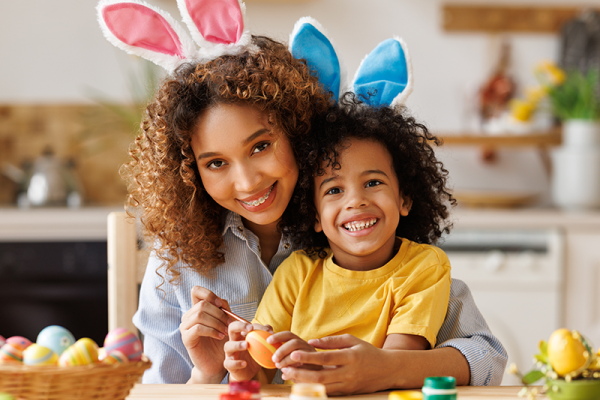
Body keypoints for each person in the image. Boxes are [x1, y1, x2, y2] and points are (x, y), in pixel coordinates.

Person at [97, 0, 507, 392]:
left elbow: (485, 356)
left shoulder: (353, 225)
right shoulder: (178, 261)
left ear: (294, 132)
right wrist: (206, 374)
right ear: (190, 172)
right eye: (215, 164)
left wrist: (387, 368)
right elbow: (160, 391)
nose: (246, 182)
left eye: (260, 147)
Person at [224, 95, 454, 386]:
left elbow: (395, 362)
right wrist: (245, 371)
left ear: (404, 199)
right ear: (316, 216)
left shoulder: (423, 266)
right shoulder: (296, 272)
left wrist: (319, 364)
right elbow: (263, 370)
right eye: (334, 191)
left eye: (373, 183)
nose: (356, 201)